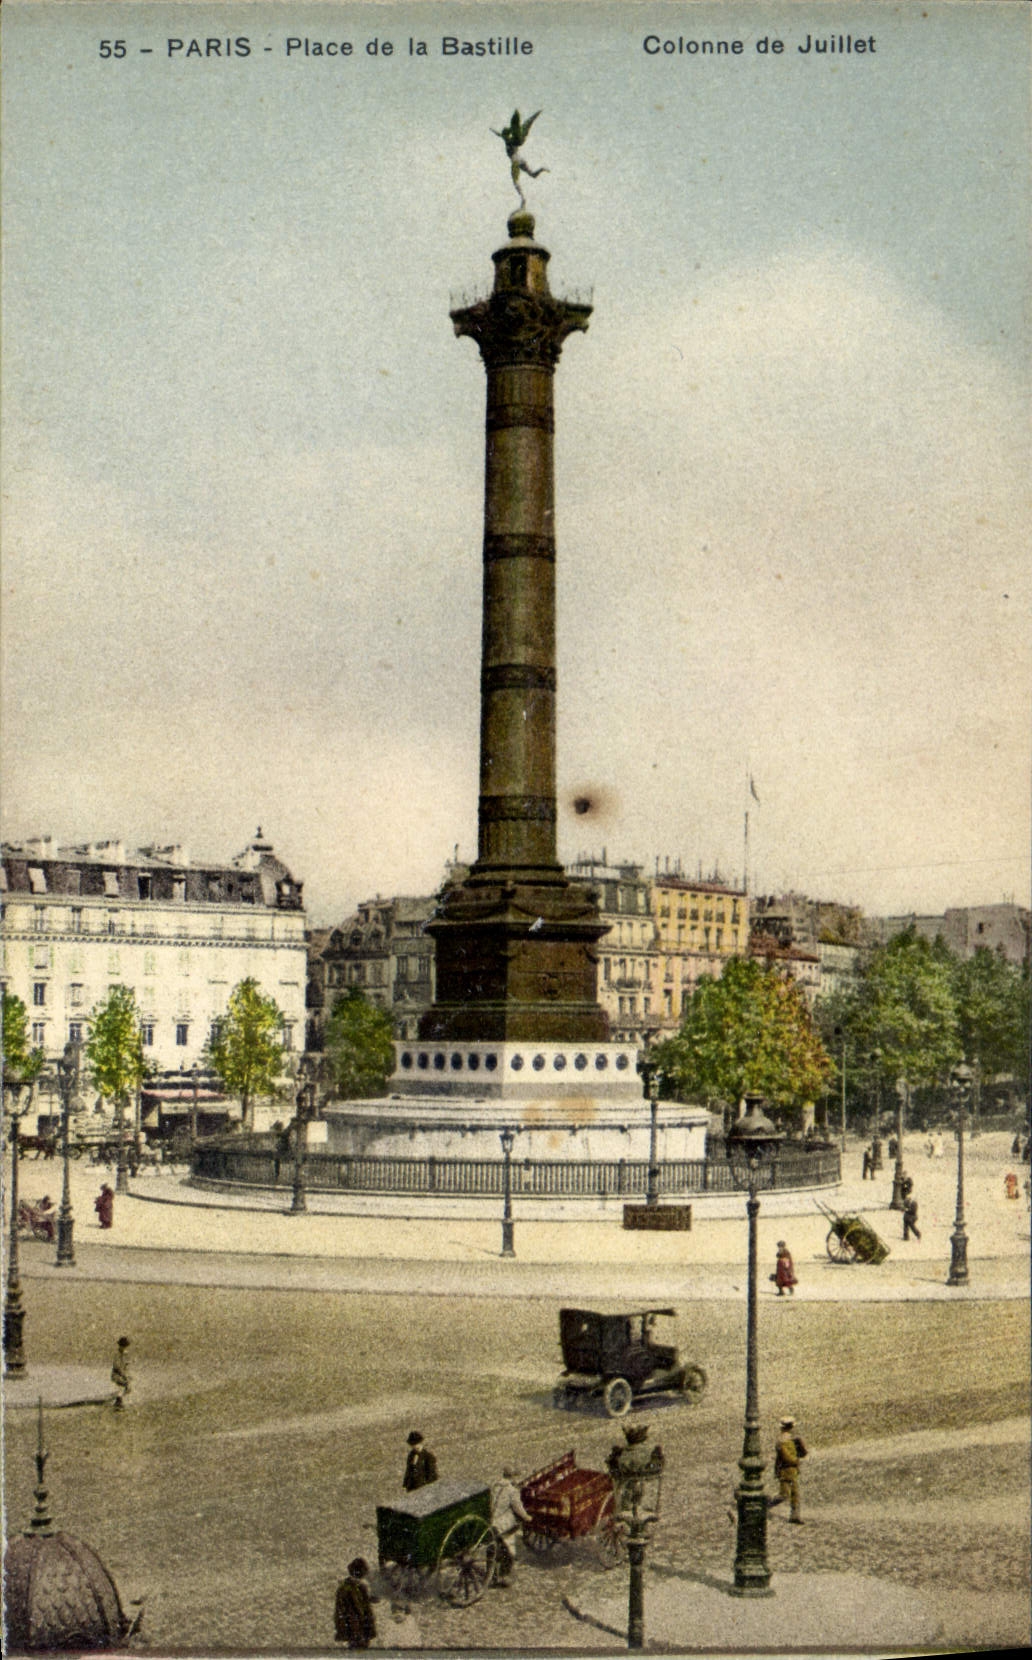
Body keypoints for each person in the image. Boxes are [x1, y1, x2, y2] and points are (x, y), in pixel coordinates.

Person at [490, 1466, 532, 1587]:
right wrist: (527, 1517)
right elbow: (518, 1508)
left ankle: (491, 1573)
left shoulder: (495, 1486)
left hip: (492, 1521)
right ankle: (503, 1577)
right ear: (512, 1477)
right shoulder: (512, 1491)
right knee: (509, 1551)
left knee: (492, 1548)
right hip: (504, 1524)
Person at [334, 1558, 378, 1649]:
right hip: (356, 1625)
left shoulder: (350, 1586)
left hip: (354, 1625)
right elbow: (358, 1606)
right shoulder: (353, 1587)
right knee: (358, 1648)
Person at [770, 1416, 806, 1522]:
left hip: (792, 1471)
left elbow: (802, 1453)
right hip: (785, 1471)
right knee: (784, 1494)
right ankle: (766, 1506)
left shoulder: (791, 1439)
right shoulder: (781, 1441)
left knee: (794, 1493)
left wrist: (800, 1445)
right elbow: (786, 1457)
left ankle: (794, 1516)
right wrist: (795, 1461)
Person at [111, 1336, 131, 1410]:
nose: (124, 1348)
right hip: (116, 1374)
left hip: (123, 1374)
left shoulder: (126, 1354)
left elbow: (126, 1365)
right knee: (123, 1386)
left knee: (128, 1388)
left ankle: (117, 1398)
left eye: (125, 1346)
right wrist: (123, 1375)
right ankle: (118, 1401)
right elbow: (117, 1366)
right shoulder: (117, 1355)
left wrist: (127, 1375)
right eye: (123, 1346)